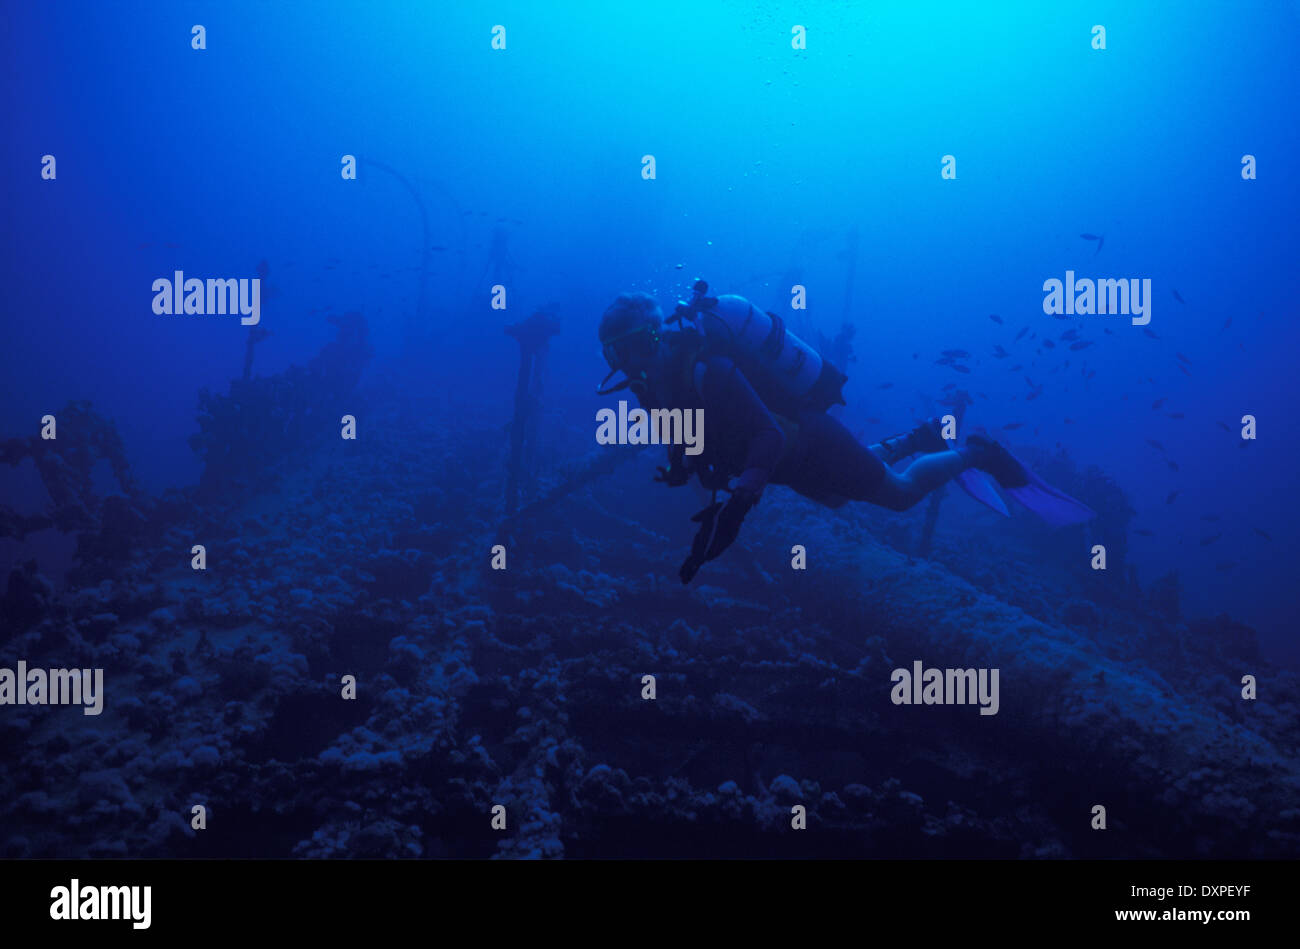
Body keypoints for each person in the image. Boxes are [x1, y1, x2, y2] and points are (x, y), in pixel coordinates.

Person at [596, 289, 1095, 583]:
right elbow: (681, 435)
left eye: (640, 344)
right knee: (836, 498)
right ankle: (915, 439)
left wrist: (739, 503)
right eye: (619, 355)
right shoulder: (653, 385)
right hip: (785, 466)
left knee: (897, 496)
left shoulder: (712, 370)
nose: (633, 363)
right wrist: (685, 472)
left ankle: (975, 452)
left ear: (659, 332)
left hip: (805, 441)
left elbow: (767, 435)